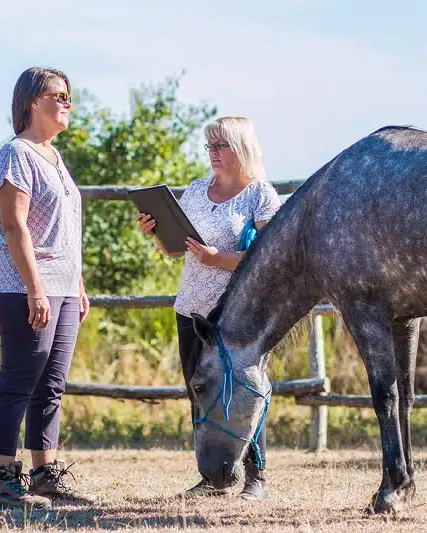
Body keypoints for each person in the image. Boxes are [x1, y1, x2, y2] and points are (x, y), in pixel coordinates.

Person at [137, 116, 282, 500]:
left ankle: (255, 476)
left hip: (238, 314)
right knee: (199, 393)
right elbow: (175, 249)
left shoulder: (260, 195)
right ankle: (213, 476)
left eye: (220, 146)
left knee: (243, 394)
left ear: (241, 148)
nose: (213, 154)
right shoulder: (197, 191)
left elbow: (268, 258)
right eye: (210, 146)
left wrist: (220, 259)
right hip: (191, 309)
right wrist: (155, 234)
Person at [0, 66, 91, 509]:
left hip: (63, 289)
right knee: (19, 381)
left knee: (52, 385)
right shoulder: (17, 153)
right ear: (33, 102)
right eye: (58, 95)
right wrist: (35, 290)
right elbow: (15, 227)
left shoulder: (54, 157)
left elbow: (64, 230)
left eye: (69, 96)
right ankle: (3, 479)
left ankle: (45, 473)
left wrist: (77, 283)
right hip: (23, 288)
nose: (67, 103)